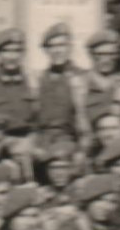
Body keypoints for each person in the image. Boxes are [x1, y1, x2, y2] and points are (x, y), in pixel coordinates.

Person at [33, 22, 91, 154]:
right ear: (46, 50)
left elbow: (85, 118)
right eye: (52, 46)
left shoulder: (82, 77)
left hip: (70, 140)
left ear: (70, 47)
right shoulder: (39, 79)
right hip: (42, 142)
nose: (57, 50)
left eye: (62, 45)